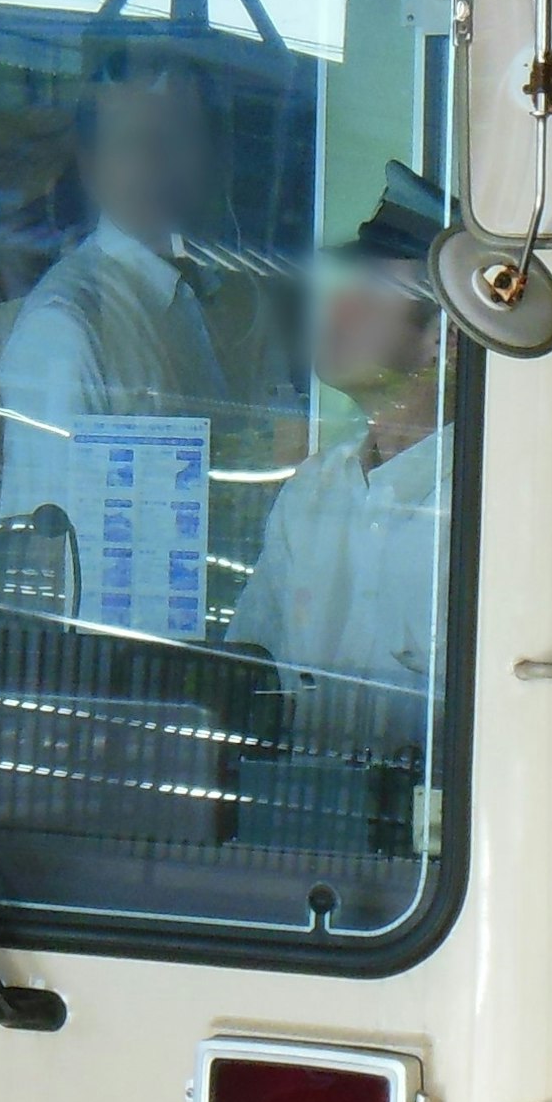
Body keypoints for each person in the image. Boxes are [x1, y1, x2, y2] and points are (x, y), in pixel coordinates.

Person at [230, 165, 449, 725]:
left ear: (441, 338)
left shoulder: (479, 506)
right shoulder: (313, 490)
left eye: (375, 290)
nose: (338, 309)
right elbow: (245, 673)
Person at [0, 45, 236, 522]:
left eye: (177, 137)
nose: (152, 163)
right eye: (127, 142)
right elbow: (56, 551)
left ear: (214, 152)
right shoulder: (64, 329)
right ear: (88, 163)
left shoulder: (202, 292)